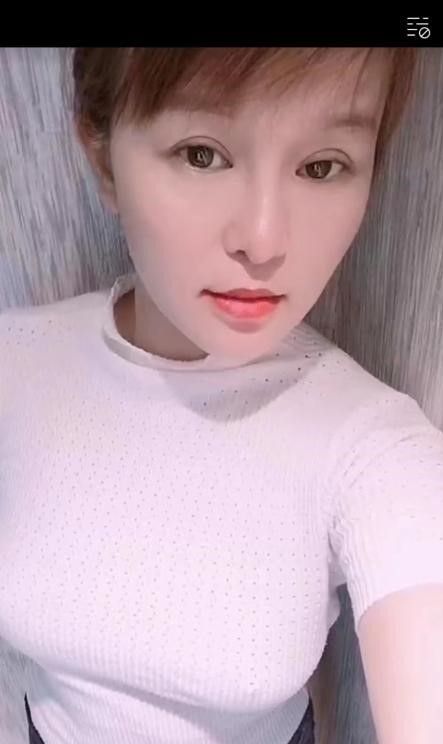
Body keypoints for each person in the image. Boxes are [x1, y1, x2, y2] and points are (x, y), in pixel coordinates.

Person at [1, 47, 442, 744]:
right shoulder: (16, 364)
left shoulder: (373, 444)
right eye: (202, 154)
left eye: (321, 166)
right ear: (103, 157)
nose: (263, 243)